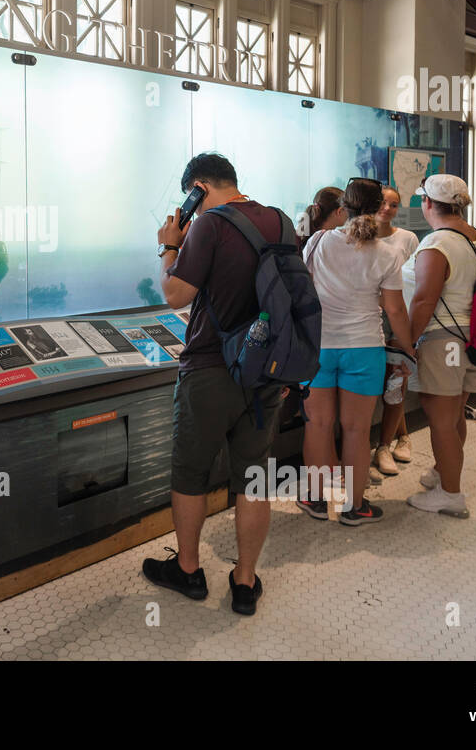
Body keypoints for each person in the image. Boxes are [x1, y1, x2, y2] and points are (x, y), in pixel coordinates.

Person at [143, 152, 289, 615]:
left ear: (198, 189)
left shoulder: (208, 225)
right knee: (255, 477)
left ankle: (187, 571)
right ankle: (244, 582)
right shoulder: (281, 221)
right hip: (266, 371)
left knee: (191, 472)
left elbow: (174, 295)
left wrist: (170, 244)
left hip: (211, 369)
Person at [298, 178, 414, 524]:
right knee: (357, 431)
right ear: (379, 207)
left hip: (319, 347)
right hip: (365, 348)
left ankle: (317, 500)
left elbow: (305, 290)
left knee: (317, 425)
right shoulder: (389, 253)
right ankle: (354, 506)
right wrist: (409, 347)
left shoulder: (318, 241)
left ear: (344, 207)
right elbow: (394, 309)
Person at [401, 175, 476, 518]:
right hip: (475, 339)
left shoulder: (437, 243)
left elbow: (425, 300)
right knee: (455, 413)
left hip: (444, 340)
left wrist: (406, 342)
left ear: (428, 203)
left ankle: (451, 495)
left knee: (440, 419)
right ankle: (445, 472)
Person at [373, 185, 420, 476]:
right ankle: (403, 435)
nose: (387, 209)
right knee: (377, 383)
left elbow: (416, 280)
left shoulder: (408, 239)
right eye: (383, 202)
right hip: (366, 318)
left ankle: (385, 444)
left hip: (396, 316)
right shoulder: (359, 236)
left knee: (395, 382)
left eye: (394, 205)